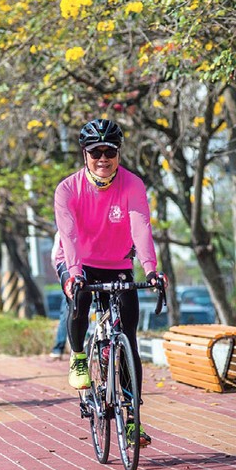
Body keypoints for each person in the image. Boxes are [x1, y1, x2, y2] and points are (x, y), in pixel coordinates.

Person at [54, 118, 168, 447]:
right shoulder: (67, 189)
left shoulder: (132, 185)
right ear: (84, 154)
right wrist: (74, 274)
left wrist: (150, 269)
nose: (103, 159)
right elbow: (70, 236)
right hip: (77, 260)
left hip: (117, 262)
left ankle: (133, 420)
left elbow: (141, 226)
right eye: (95, 153)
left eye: (110, 152)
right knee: (78, 299)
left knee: (128, 340)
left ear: (119, 153)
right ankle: (78, 356)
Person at [49, 232, 69, 360]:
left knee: (67, 312)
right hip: (71, 276)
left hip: (72, 276)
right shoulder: (62, 231)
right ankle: (59, 347)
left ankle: (58, 348)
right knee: (67, 312)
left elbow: (53, 259)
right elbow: (55, 258)